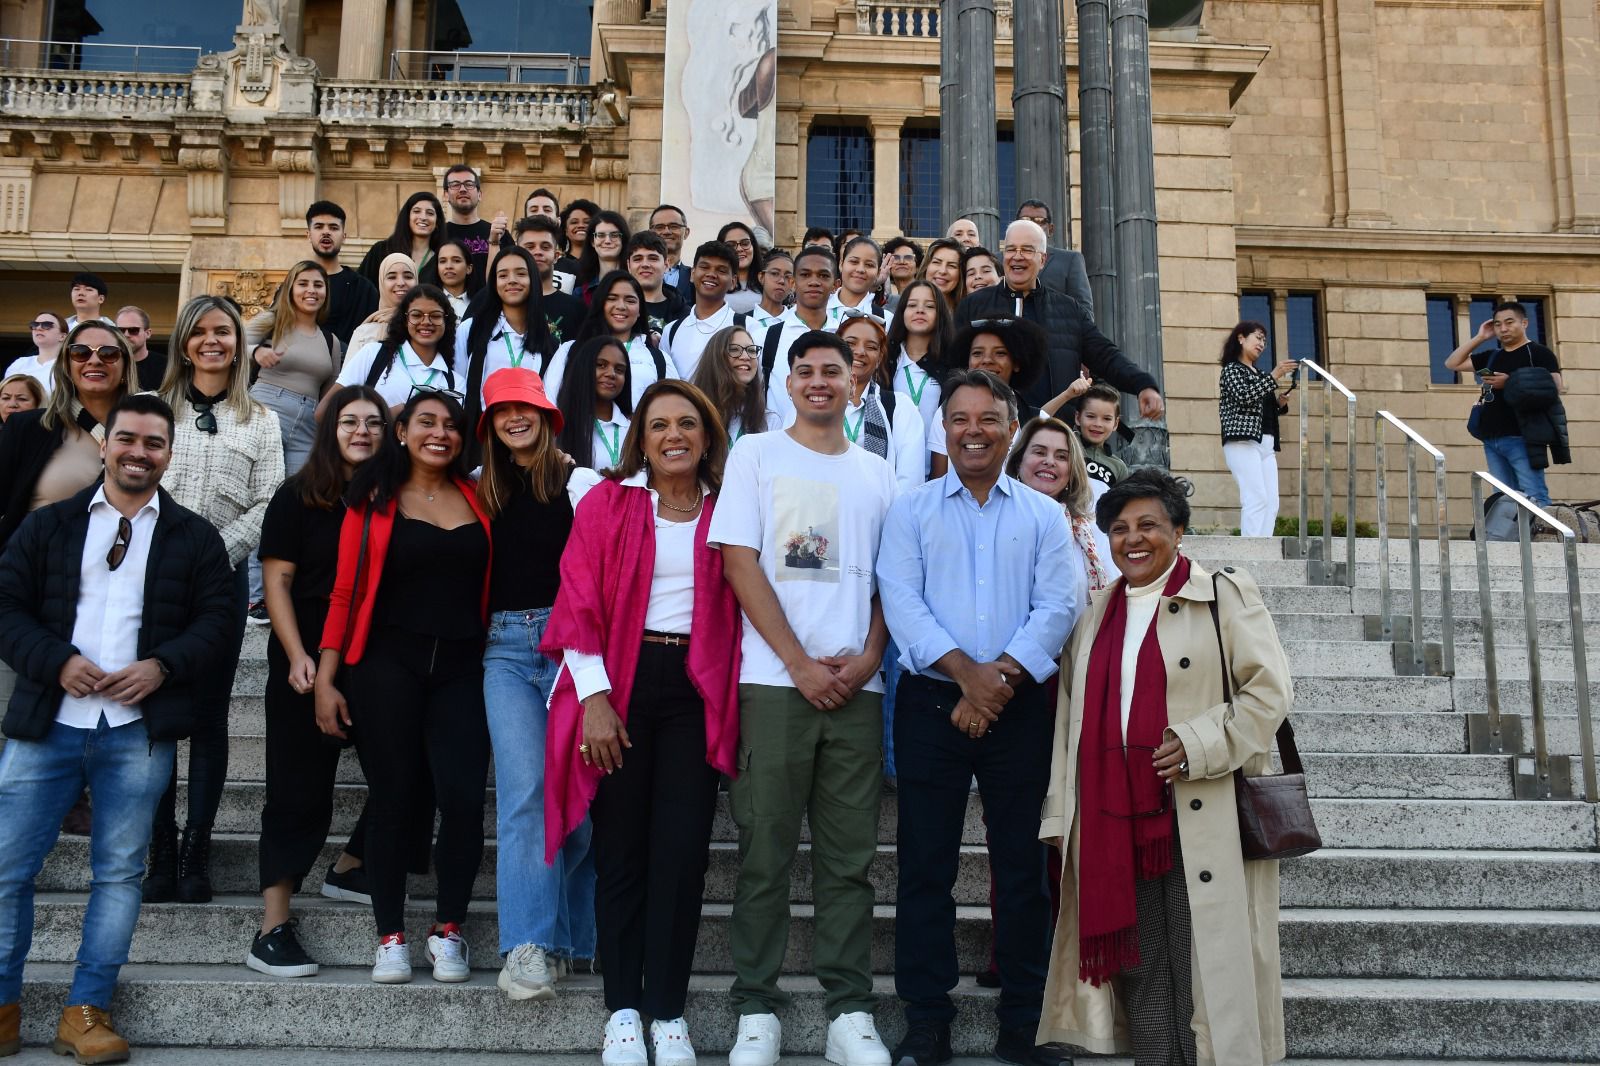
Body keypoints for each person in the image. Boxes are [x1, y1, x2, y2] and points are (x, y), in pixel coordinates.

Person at [0, 393, 234, 1064]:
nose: (139, 452)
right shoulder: (51, 524)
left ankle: (86, 1012)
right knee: (8, 870)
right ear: (105, 444)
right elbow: (7, 603)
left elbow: (217, 623)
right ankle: (3, 1008)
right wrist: (57, 662)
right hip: (47, 724)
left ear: (169, 452)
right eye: (127, 438)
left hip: (136, 731)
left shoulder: (194, 536)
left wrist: (162, 666)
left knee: (119, 875)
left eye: (153, 443)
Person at [1038, 469, 1292, 1066]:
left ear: (1178, 531)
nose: (1133, 539)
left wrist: (1200, 743)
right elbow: (1068, 724)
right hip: (1109, 813)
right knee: (1142, 957)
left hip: (1198, 809)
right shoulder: (1096, 614)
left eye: (1149, 525)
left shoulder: (1223, 594)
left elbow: (1269, 692)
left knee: (1200, 952)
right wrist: (1060, 814)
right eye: (1120, 528)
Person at [878, 369, 1081, 1066]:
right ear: (944, 428)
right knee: (924, 868)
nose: (973, 430)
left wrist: (998, 683)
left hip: (1019, 708)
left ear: (1011, 426)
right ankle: (926, 1021)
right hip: (933, 704)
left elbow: (1060, 604)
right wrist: (970, 677)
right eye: (960, 418)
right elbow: (900, 598)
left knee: (1022, 870)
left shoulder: (1043, 515)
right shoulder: (911, 509)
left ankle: (1027, 1023)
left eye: (989, 418)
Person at [708, 330, 897, 1066]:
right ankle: (758, 1006)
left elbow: (893, 578)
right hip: (773, 683)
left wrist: (872, 655)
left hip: (859, 687)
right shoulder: (756, 455)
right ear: (787, 384)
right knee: (765, 853)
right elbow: (738, 563)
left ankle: (850, 1009)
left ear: (855, 382)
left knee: (849, 862)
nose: (819, 382)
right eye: (807, 371)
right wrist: (799, 663)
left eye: (833, 371)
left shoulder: (879, 473)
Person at [542, 379, 743, 1066]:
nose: (673, 436)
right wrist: (594, 698)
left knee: (682, 855)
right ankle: (623, 1007)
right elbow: (577, 600)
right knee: (622, 851)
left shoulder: (731, 511)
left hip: (696, 689)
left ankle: (668, 1011)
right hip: (621, 684)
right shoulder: (609, 503)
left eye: (687, 423)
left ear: (709, 435)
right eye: (659, 425)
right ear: (642, 439)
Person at [315, 390, 493, 985]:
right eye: (426, 422)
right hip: (388, 663)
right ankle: (389, 935)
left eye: (450, 425)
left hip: (463, 667)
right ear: (401, 431)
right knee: (393, 797)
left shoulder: (481, 495)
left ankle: (449, 931)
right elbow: (344, 593)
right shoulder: (371, 500)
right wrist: (325, 678)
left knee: (463, 800)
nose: (439, 433)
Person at [247, 385, 389, 978]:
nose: (361, 432)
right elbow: (276, 582)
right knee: (298, 790)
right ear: (330, 430)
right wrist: (296, 654)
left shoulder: (397, 497)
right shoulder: (299, 495)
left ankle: (352, 863)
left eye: (373, 423)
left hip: (380, 656)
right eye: (349, 422)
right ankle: (271, 927)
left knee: (411, 772)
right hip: (304, 650)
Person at [146, 295, 283, 906]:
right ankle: (159, 848)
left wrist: (211, 555)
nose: (211, 342)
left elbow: (269, 500)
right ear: (182, 341)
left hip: (220, 582)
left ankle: (196, 847)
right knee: (151, 718)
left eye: (222, 331)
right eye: (199, 331)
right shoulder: (153, 410)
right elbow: (127, 476)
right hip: (151, 581)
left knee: (209, 718)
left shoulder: (261, 418)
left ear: (238, 342)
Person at [474, 368, 595, 1001]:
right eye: (502, 412)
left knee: (578, 807)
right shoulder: (477, 489)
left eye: (526, 409)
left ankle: (571, 936)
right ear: (490, 425)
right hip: (504, 651)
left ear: (547, 415)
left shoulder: (582, 481)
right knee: (525, 794)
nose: (514, 420)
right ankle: (528, 947)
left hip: (572, 646)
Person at [956, 220, 1163, 419]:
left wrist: (1142, 384)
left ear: (1043, 260)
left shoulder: (1069, 309)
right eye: (1010, 249)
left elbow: (1104, 354)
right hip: (992, 431)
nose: (1017, 256)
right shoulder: (973, 306)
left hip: (1052, 434)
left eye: (1027, 250)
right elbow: (954, 366)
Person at [245, 260, 344, 621]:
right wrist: (257, 352)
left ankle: (288, 587)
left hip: (309, 423)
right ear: (290, 288)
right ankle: (256, 597)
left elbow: (333, 383)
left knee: (299, 501)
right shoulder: (273, 321)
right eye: (303, 283)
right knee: (265, 499)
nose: (311, 290)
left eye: (318, 285)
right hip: (267, 409)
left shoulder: (329, 339)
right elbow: (231, 336)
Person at [0, 321, 138, 555]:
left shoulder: (148, 434)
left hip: (118, 569)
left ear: (125, 366)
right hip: (37, 569)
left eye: (108, 353)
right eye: (80, 352)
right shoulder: (28, 427)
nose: (94, 360)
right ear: (66, 365)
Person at [1444, 300, 1565, 507]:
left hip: (1521, 436)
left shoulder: (1538, 353)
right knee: (1503, 499)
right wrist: (1481, 336)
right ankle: (1511, 540)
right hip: (1492, 437)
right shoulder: (1493, 356)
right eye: (1498, 324)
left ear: (1524, 323)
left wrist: (1510, 382)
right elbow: (1452, 363)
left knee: (1534, 494)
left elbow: (1555, 388)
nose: (1503, 328)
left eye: (1509, 322)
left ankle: (1543, 538)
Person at [927, 317, 1056, 478]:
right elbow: (938, 479)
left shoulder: (1039, 421)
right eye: (977, 353)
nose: (987, 360)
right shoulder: (947, 411)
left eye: (1000, 353)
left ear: (1016, 362)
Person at [544, 271, 674, 410]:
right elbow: (550, 405)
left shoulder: (659, 359)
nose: (621, 306)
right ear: (600, 304)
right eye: (612, 298)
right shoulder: (570, 351)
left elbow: (672, 407)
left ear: (640, 310)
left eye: (630, 300)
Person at [457, 247, 552, 436]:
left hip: (528, 433)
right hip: (481, 434)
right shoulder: (472, 329)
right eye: (503, 275)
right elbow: (459, 384)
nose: (512, 280)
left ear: (533, 279)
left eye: (521, 274)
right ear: (494, 283)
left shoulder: (546, 339)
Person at [1010, 415, 1113, 590]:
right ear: (1019, 461)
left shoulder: (1091, 529)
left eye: (1061, 456)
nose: (1049, 461)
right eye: (1039, 452)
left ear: (1072, 470)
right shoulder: (997, 520)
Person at [1218, 322, 1296, 537]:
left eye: (1264, 340)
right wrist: (1274, 375)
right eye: (1258, 338)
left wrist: (1279, 403)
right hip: (1242, 441)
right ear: (1241, 338)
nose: (1262, 344)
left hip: (1266, 444)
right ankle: (1250, 550)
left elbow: (1262, 410)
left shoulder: (1259, 374)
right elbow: (1244, 397)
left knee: (1271, 502)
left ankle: (1263, 547)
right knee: (1255, 497)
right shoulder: (1231, 370)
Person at [335, 284, 460, 413]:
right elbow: (327, 409)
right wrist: (386, 416)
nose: (426, 322)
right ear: (405, 320)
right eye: (416, 315)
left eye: (435, 315)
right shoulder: (373, 354)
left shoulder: (455, 384)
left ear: (446, 321)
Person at [838, 313, 925, 495]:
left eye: (871, 347)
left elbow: (909, 481)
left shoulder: (899, 408)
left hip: (881, 517)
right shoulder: (815, 402)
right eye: (850, 344)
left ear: (879, 359)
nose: (860, 352)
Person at [761, 247, 847, 425]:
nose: (814, 282)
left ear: (836, 285)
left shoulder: (845, 335)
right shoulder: (766, 337)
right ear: (792, 282)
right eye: (805, 275)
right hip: (779, 446)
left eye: (823, 275)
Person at [887, 278, 955, 458]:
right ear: (902, 311)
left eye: (930, 306)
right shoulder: (887, 360)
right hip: (891, 465)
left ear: (940, 314)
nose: (920, 310)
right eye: (912, 305)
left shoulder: (952, 365)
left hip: (937, 465)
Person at [661, 241, 740, 380]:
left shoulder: (748, 328)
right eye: (704, 267)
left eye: (721, 270)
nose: (711, 274)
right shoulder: (671, 331)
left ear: (733, 282)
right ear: (692, 274)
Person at [305, 201, 379, 347]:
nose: (326, 232)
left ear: (344, 236)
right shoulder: (295, 285)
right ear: (308, 235)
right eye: (319, 227)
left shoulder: (364, 289)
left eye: (333, 228)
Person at [556, 337, 634, 472]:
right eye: (601, 365)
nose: (611, 374)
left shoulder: (635, 427)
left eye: (620, 369)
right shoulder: (557, 428)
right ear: (583, 368)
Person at [690, 325, 780, 443]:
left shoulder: (769, 421)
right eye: (734, 350)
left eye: (751, 350)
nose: (745, 356)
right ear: (715, 358)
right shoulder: (693, 416)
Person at [514, 215, 588, 344]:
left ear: (556, 256)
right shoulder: (498, 301)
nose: (537, 252)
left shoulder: (577, 309)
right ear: (517, 253)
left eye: (545, 247)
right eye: (530, 247)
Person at [1016, 200, 1093, 313]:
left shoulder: (1070, 261)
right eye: (1025, 220)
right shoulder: (999, 260)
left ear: (1050, 229)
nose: (1032, 225)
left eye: (1039, 221)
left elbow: (1084, 311)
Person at [443, 163, 511, 290]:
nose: (462, 189)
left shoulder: (499, 233)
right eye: (455, 185)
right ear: (446, 195)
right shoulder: (437, 235)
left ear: (480, 194)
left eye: (469, 184)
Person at [358, 191, 444, 287]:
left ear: (437, 222)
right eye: (416, 211)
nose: (423, 217)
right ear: (407, 217)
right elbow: (361, 287)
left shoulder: (441, 259)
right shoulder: (381, 250)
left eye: (430, 213)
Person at [346, 253, 418, 356]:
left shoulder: (426, 329)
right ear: (381, 283)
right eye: (392, 277)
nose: (401, 283)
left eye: (408, 276)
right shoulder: (364, 334)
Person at [628, 231, 686, 335]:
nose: (645, 264)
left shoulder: (685, 314)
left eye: (653, 258)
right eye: (638, 259)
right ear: (628, 266)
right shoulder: (617, 308)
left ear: (666, 264)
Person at [9, 312, 66, 396]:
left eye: (47, 325)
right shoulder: (19, 364)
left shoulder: (69, 365)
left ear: (62, 336)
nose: (38, 328)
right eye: (34, 325)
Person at [579, 211, 632, 297]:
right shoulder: (581, 293)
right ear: (592, 242)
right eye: (601, 235)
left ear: (623, 240)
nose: (607, 241)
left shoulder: (637, 286)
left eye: (614, 235)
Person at [115, 306, 168, 391]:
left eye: (133, 330)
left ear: (147, 333)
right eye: (121, 330)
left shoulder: (167, 366)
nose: (126, 335)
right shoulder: (109, 364)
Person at [717, 221, 764, 314]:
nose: (739, 249)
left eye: (745, 243)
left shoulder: (766, 281)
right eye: (731, 245)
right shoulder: (714, 281)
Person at [832, 236, 884, 319]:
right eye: (854, 262)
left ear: (878, 273)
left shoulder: (887, 320)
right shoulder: (816, 308)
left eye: (869, 265)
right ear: (841, 264)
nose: (860, 270)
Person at [650, 203, 693, 298]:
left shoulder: (695, 276)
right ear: (650, 233)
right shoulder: (638, 273)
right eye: (659, 227)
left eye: (674, 226)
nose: (666, 232)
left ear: (686, 232)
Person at [432, 237, 476, 321]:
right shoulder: (428, 300)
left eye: (456, 261)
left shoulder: (479, 303)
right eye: (442, 261)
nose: (448, 266)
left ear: (469, 268)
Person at [751, 249, 794, 331]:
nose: (781, 281)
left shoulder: (797, 323)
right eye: (775, 273)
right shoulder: (744, 321)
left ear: (792, 283)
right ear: (761, 277)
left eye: (788, 276)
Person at [557, 198, 600, 279]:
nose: (581, 225)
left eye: (587, 222)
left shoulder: (601, 262)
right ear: (565, 230)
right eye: (574, 222)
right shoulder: (557, 263)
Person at [917, 238, 963, 311]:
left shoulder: (970, 313)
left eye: (951, 266)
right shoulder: (903, 307)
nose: (942, 271)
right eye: (936, 262)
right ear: (926, 266)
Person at [882, 236, 922, 311]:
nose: (902, 262)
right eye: (896, 258)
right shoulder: (884, 300)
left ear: (917, 267)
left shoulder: (927, 296)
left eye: (908, 258)